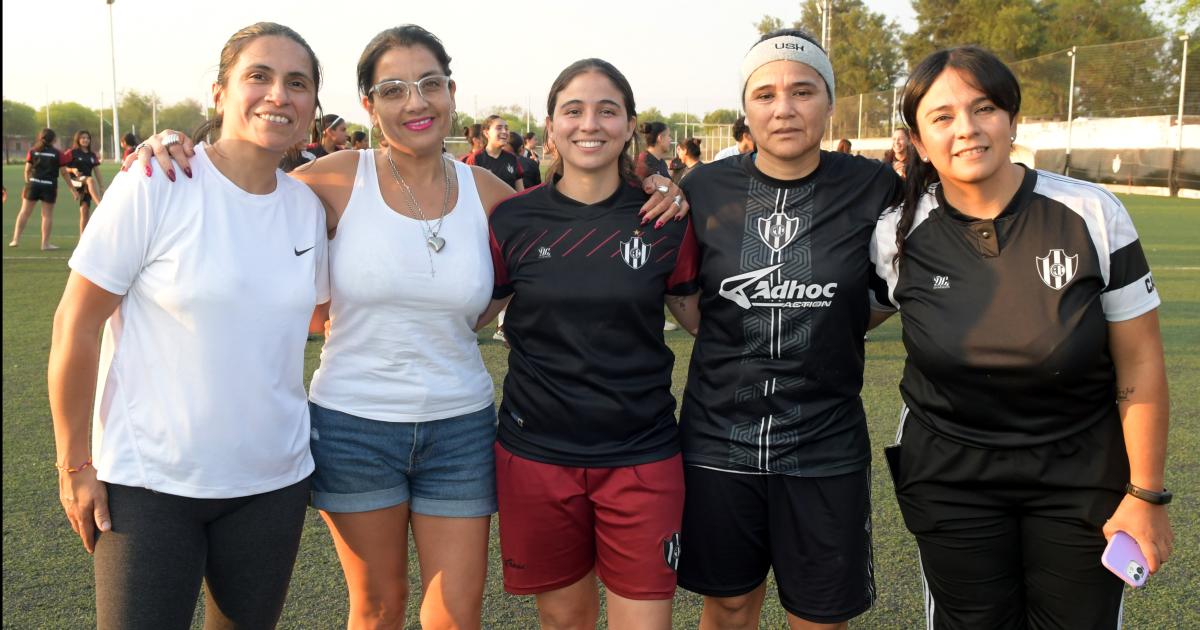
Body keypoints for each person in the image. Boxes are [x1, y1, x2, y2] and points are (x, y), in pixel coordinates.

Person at [129, 24, 687, 629]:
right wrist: (172, 144)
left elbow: (561, 219)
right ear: (369, 104)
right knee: (377, 609)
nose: (415, 102)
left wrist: (660, 188)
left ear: (452, 91)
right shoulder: (333, 181)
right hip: (354, 427)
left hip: (461, 428)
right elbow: (243, 183)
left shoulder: (495, 197)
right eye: (393, 89)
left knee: (455, 615)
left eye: (429, 84)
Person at [869, 45, 1173, 630]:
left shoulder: (1091, 212)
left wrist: (1147, 494)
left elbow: (1140, 365)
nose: (967, 129)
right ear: (916, 137)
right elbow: (847, 315)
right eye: (942, 117)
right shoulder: (897, 234)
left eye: (983, 108)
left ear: (1012, 118)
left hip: (1079, 471)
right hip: (949, 475)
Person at [48, 23, 328, 629]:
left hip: (272, 485)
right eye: (259, 76)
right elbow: (76, 322)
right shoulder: (156, 181)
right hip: (148, 486)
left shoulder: (306, 208)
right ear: (220, 93)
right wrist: (74, 465)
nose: (279, 94)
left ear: (311, 108)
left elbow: (318, 316)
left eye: (297, 83)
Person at [675, 28, 901, 630]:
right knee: (726, 604)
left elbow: (885, 296)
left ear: (828, 102)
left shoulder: (875, 187)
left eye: (803, 91)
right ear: (745, 110)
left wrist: (823, 324)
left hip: (824, 442)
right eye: (766, 94)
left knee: (820, 616)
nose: (784, 108)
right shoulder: (702, 189)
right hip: (719, 436)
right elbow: (684, 298)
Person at [486, 56, 699, 630]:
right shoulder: (512, 219)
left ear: (630, 124)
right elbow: (474, 311)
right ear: (551, 126)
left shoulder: (666, 217)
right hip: (536, 455)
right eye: (573, 111)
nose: (590, 124)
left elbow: (699, 317)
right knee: (563, 621)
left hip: (641, 455)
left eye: (608, 111)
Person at [10, 128, 68, 250]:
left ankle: (15, 239)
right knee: (46, 215)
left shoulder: (33, 151)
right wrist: (72, 189)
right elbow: (64, 172)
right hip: (49, 186)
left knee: (24, 212)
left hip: (33, 184)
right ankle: (45, 244)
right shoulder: (58, 153)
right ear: (54, 139)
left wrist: (28, 183)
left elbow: (27, 170)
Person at [464, 115, 525, 191]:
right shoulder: (475, 159)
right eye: (499, 128)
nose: (504, 131)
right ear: (486, 133)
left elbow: (520, 193)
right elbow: (468, 191)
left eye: (506, 128)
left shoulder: (512, 159)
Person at [63, 130, 105, 235]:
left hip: (86, 185)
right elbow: (63, 168)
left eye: (87, 138)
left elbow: (97, 171)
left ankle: (83, 237)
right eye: (83, 138)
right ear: (78, 139)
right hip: (75, 182)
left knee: (84, 210)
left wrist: (101, 187)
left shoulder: (92, 155)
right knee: (90, 179)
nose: (85, 140)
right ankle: (100, 205)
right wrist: (72, 170)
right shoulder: (72, 152)